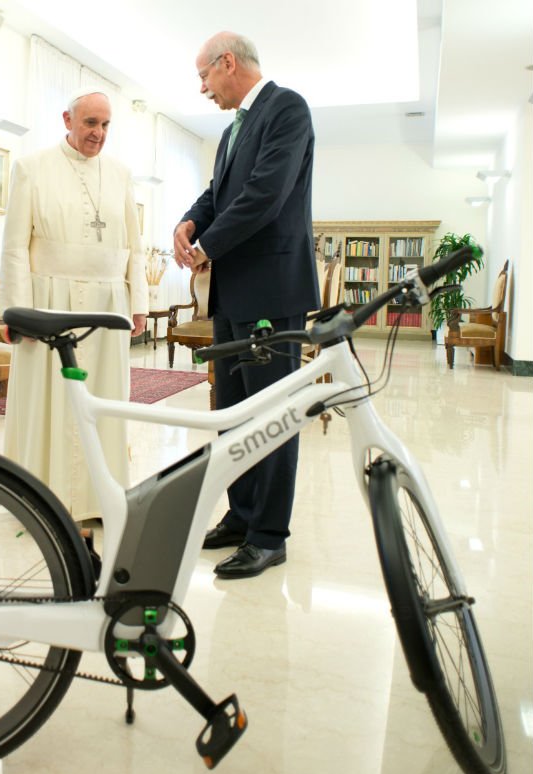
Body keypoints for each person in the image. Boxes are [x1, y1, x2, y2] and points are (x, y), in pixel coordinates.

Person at [174, 32, 319, 579]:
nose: (204, 89)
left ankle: (268, 534)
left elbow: (266, 193)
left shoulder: (287, 109)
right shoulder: (232, 130)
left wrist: (207, 246)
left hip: (272, 291)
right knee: (231, 413)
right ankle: (240, 514)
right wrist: (190, 221)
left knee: (272, 415)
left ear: (227, 62)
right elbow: (220, 194)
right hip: (233, 292)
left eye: (204, 76)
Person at [0, 89, 147, 524]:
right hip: (47, 302)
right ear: (68, 119)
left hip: (107, 302)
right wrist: (15, 310)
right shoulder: (31, 167)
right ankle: (41, 497)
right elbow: (13, 248)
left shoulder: (120, 173)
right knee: (45, 397)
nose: (98, 134)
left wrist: (137, 302)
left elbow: (134, 247)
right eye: (90, 124)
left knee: (103, 396)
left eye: (105, 125)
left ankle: (97, 497)